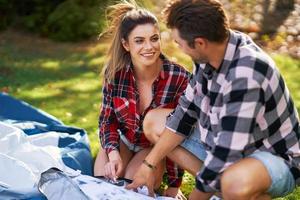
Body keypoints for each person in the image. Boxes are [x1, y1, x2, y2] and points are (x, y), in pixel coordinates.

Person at [126, 0, 300, 199]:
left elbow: (227, 154)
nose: (178, 47)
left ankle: (235, 189)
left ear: (199, 43)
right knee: (154, 122)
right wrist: (149, 164)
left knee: (234, 182)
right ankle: (226, 191)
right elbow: (184, 113)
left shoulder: (247, 75)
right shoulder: (211, 53)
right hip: (224, 142)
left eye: (179, 43)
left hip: (272, 157)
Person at [93, 0, 191, 198]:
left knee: (132, 188)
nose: (149, 47)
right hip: (123, 141)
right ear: (126, 44)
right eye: (139, 41)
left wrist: (174, 184)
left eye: (154, 39)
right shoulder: (115, 75)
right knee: (102, 185)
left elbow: (178, 133)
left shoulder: (179, 78)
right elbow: (107, 120)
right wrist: (112, 152)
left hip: (152, 149)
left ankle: (155, 182)